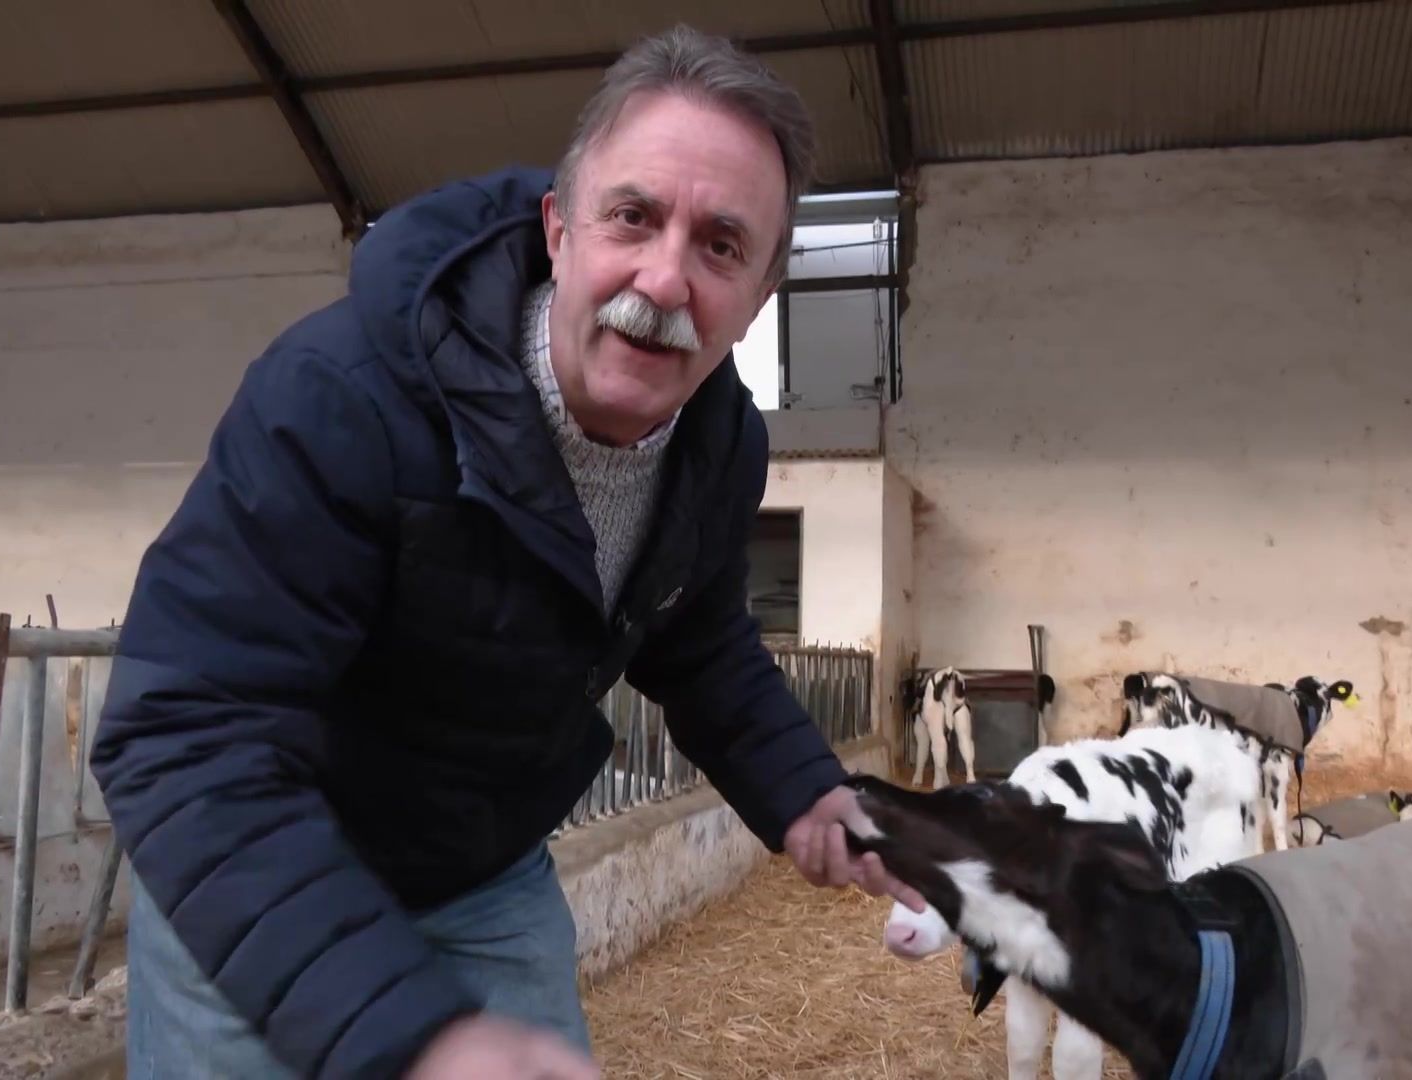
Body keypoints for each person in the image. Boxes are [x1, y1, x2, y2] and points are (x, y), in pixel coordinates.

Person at [90, 23, 922, 1080]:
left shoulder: (720, 448)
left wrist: (807, 790)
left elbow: (699, 644)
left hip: (482, 879)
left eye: (721, 246)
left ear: (759, 298)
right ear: (559, 229)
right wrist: (417, 1035)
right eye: (633, 217)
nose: (665, 280)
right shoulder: (341, 398)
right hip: (264, 869)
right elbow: (186, 731)